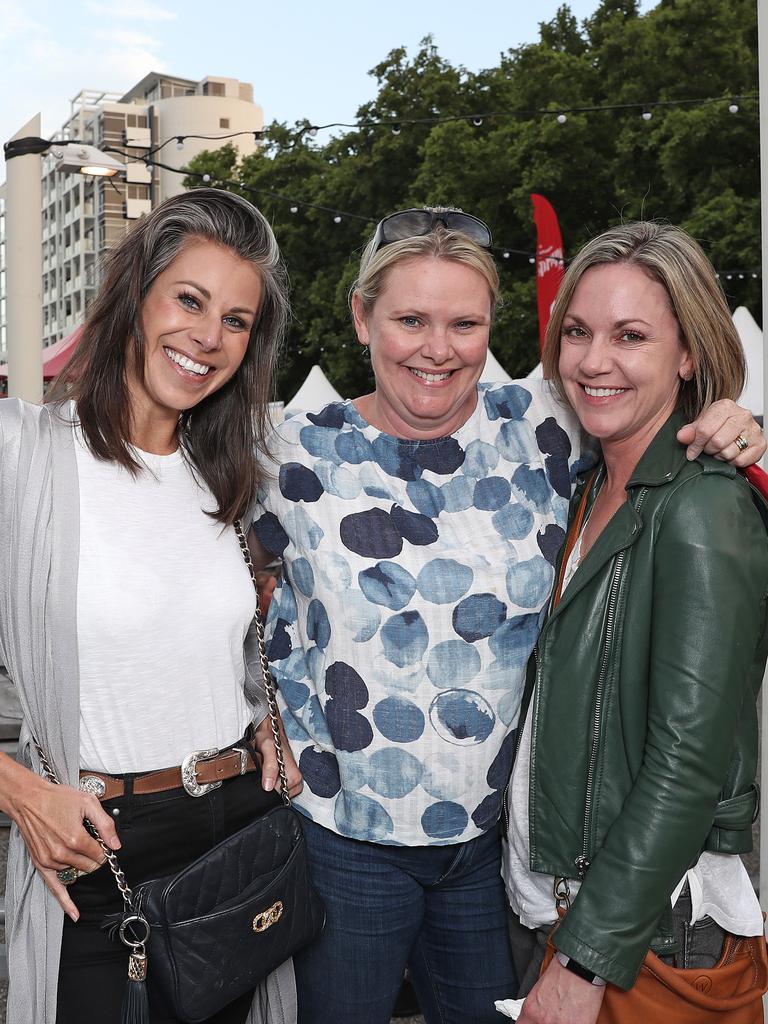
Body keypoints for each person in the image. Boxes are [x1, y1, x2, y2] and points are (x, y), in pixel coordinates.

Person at [247, 207, 765, 1024]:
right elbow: (218, 588)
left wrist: (736, 418)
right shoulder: (288, 453)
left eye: (465, 322)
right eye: (410, 319)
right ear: (360, 317)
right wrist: (258, 716)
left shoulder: (546, 432)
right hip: (343, 837)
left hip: (492, 853)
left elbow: (659, 426)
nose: (437, 347)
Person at [0, 189, 301, 1024]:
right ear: (136, 296)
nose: (209, 337)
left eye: (237, 321)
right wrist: (17, 788)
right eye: (190, 300)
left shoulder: (231, 479)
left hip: (240, 837)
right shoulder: (22, 455)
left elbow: (216, 650)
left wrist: (262, 720)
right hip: (101, 850)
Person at [502, 221, 768, 1024]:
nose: (592, 361)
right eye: (577, 332)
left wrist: (587, 956)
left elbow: (687, 764)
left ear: (688, 355)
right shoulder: (587, 486)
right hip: (563, 913)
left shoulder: (703, 506)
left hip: (642, 940)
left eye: (632, 336)